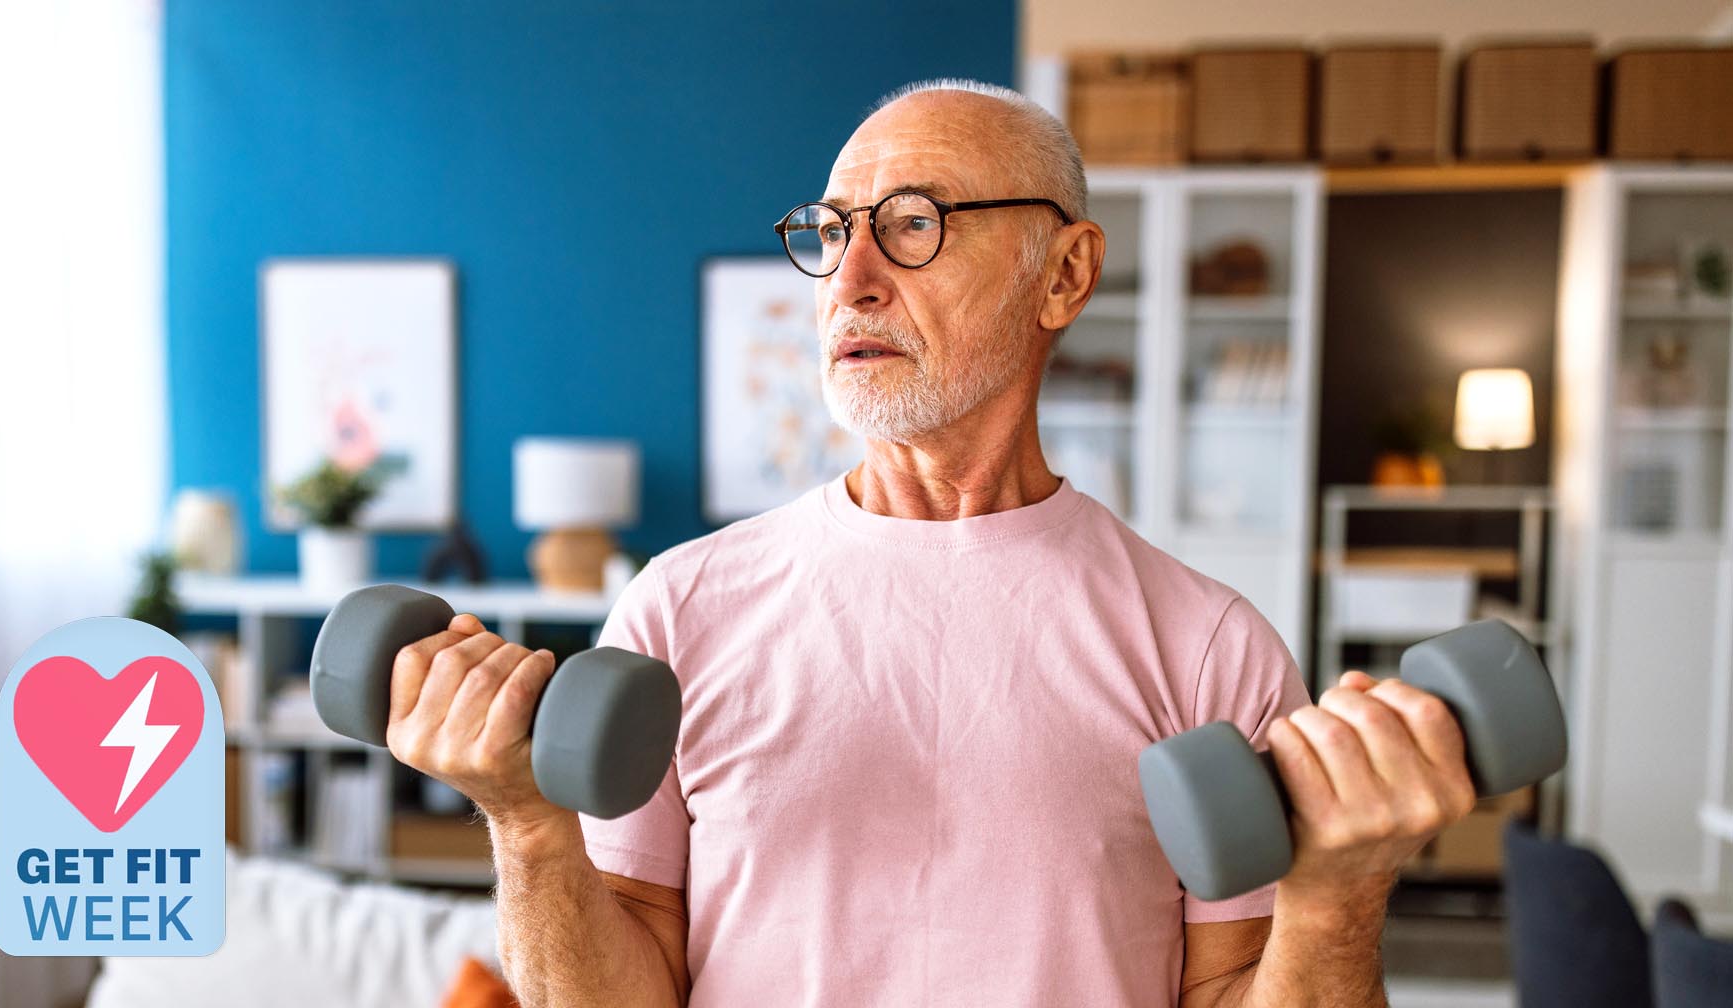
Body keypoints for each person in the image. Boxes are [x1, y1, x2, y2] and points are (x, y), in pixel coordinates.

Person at [384, 80, 1477, 1007]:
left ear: (1065, 274)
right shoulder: (677, 612)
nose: (850, 278)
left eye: (913, 224)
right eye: (830, 229)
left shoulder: (1204, 646)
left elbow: (1236, 983)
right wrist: (529, 828)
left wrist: (1336, 901)